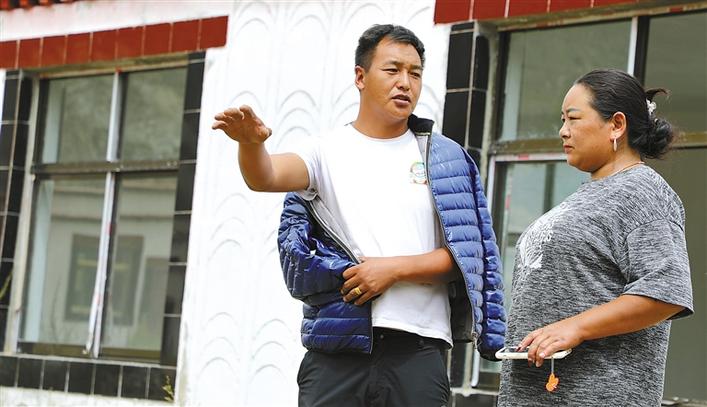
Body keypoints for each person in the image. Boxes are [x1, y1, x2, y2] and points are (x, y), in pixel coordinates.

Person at [213, 24, 506, 407]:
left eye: (415, 73)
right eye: (392, 70)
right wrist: (251, 146)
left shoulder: (446, 158)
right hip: (336, 349)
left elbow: (469, 260)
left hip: (418, 350)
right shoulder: (324, 150)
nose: (405, 83)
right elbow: (265, 176)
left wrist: (392, 270)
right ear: (360, 76)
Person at [497, 69, 694, 407]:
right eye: (562, 120)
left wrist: (574, 327)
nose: (563, 130)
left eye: (573, 118)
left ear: (616, 125)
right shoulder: (587, 195)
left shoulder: (643, 192)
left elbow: (667, 292)